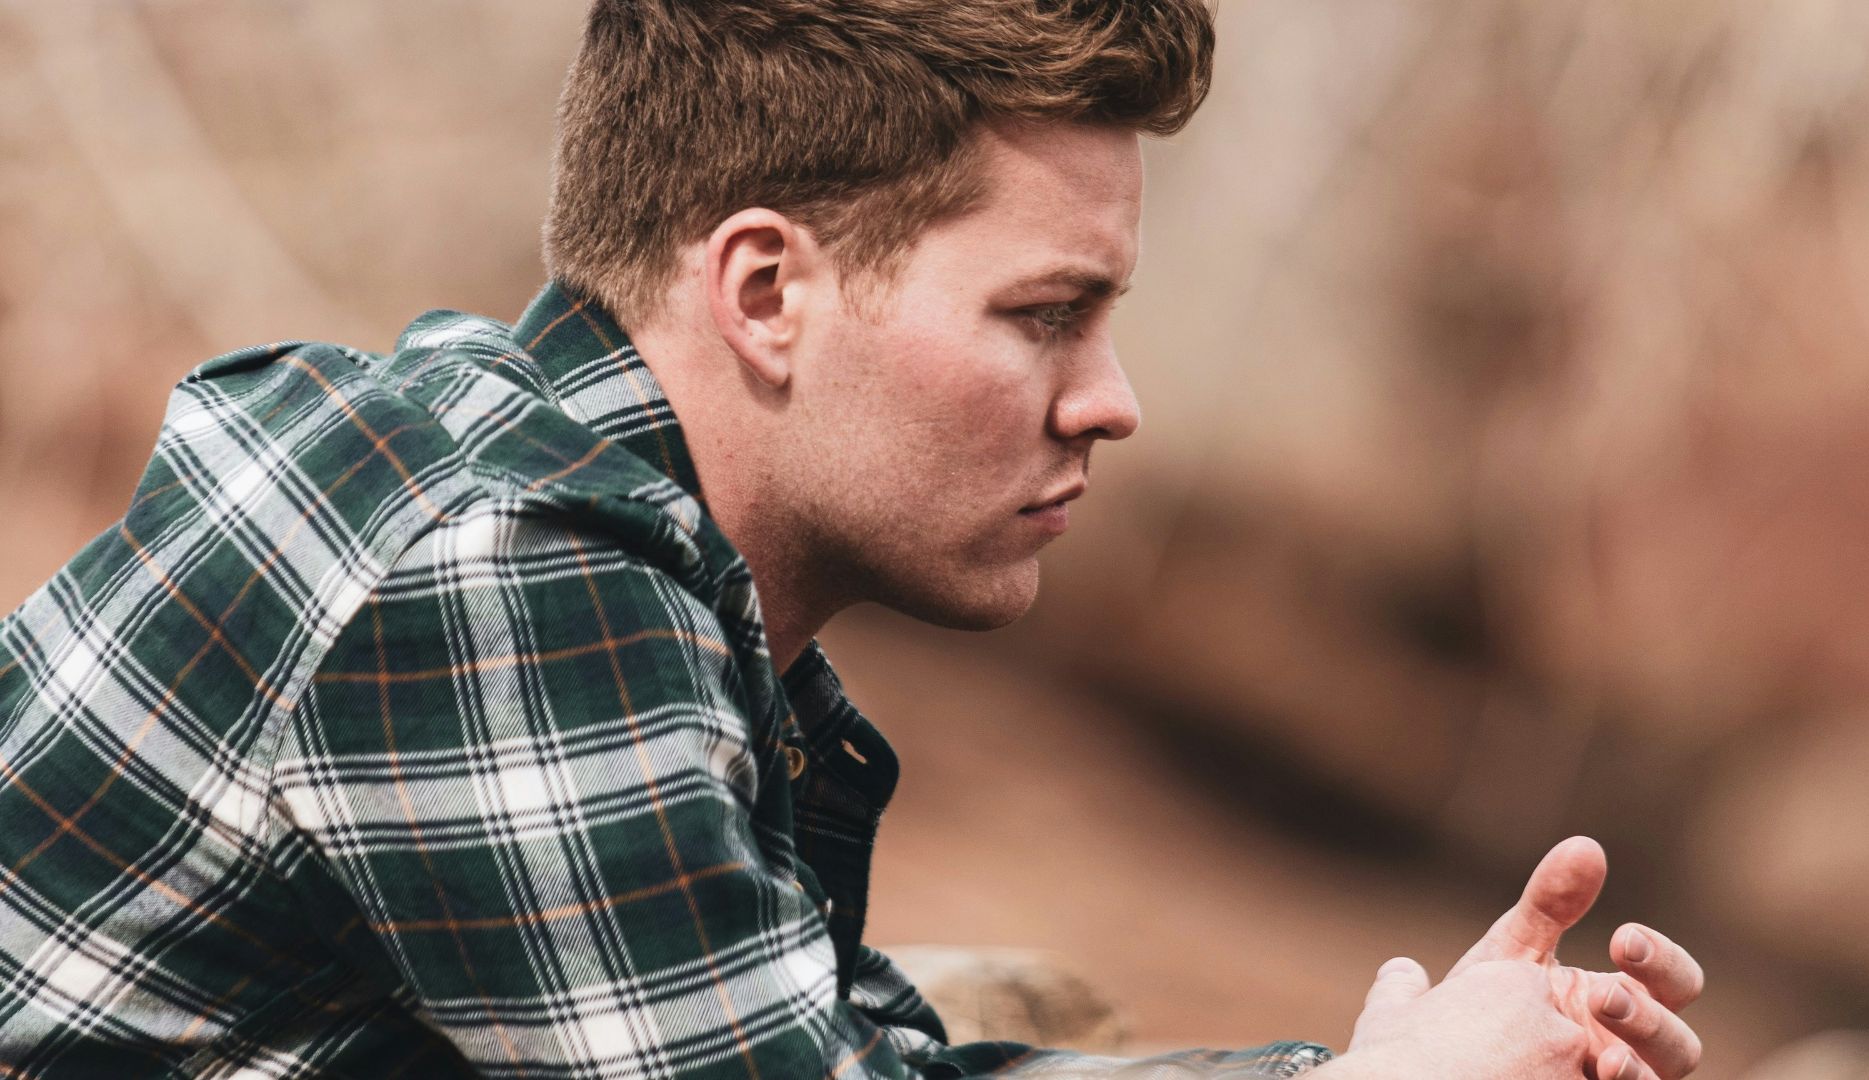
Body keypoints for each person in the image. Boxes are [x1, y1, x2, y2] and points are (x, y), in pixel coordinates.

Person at [0, 1, 1702, 1076]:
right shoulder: (500, 572)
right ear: (765, 293)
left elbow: (846, 1056)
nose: (1109, 401)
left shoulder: (556, 487)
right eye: (1045, 313)